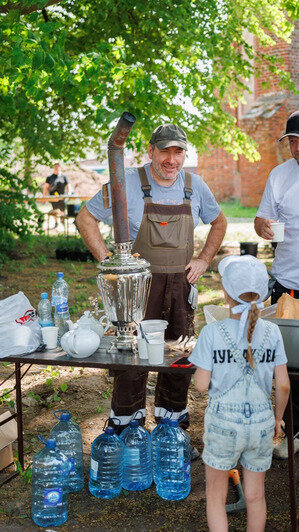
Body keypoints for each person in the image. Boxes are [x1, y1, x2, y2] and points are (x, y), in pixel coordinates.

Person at [76, 123, 227, 442]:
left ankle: (171, 429)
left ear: (185, 154)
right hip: (138, 289)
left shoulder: (194, 185)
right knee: (131, 356)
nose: (171, 159)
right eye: (165, 151)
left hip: (181, 285)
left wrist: (203, 260)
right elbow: (85, 218)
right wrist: (107, 261)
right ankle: (126, 428)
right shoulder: (127, 181)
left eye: (178, 152)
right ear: (150, 152)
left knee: (179, 355)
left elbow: (219, 221)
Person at [188, 255, 290, 531]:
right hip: (261, 423)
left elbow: (199, 385)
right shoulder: (272, 332)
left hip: (222, 424)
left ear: (226, 293)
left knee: (216, 495)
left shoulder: (211, 332)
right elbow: (282, 385)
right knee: (256, 495)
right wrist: (278, 419)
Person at [254, 110, 299, 459]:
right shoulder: (279, 175)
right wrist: (263, 228)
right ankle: (291, 431)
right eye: (292, 142)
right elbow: (260, 219)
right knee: (287, 364)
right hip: (287, 284)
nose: (296, 148)